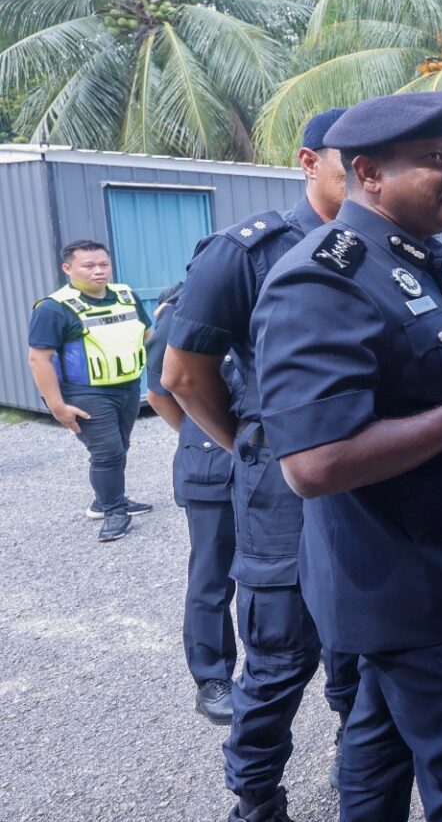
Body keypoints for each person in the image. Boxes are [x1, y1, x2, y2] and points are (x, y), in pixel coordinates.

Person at [252, 91, 442, 822]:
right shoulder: (326, 274)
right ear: (371, 175)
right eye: (436, 161)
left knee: (377, 756)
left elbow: (417, 396)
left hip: (415, 584)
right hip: (421, 591)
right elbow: (313, 462)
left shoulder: (399, 258)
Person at [163, 110, 357, 822]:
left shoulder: (380, 246)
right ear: (310, 162)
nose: (370, 177)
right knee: (278, 654)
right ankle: (256, 795)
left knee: (359, 643)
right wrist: (249, 440)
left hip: (364, 478)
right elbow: (182, 375)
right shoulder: (247, 251)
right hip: (281, 489)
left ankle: (358, 761)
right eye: (351, 163)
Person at [145, 283, 239, 724]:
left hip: (274, 463)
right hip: (212, 465)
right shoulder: (185, 309)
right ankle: (212, 677)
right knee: (212, 573)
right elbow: (161, 392)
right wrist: (205, 434)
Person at [26, 239, 153, 542]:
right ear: (67, 268)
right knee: (107, 452)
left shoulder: (126, 295)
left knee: (119, 446)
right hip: (85, 392)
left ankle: (105, 498)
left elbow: (149, 335)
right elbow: (38, 359)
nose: (98, 271)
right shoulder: (54, 308)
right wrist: (57, 406)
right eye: (89, 266)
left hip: (128, 387)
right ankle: (113, 510)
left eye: (103, 264)